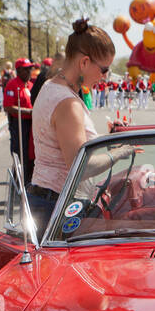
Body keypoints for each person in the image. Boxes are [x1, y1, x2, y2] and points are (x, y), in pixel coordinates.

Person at [27, 17, 115, 231]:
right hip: (59, 204)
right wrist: (118, 152)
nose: (104, 77)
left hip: (46, 199)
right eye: (104, 69)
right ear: (84, 62)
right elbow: (79, 166)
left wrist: (109, 138)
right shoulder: (68, 103)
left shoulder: (50, 87)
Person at [4, 58, 34, 182]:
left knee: (30, 154)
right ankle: (18, 181)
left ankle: (28, 179)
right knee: (20, 153)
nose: (29, 71)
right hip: (19, 124)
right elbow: (8, 107)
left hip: (31, 123)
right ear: (19, 70)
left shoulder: (31, 85)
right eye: (26, 69)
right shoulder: (12, 85)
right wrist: (28, 112)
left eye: (30, 69)